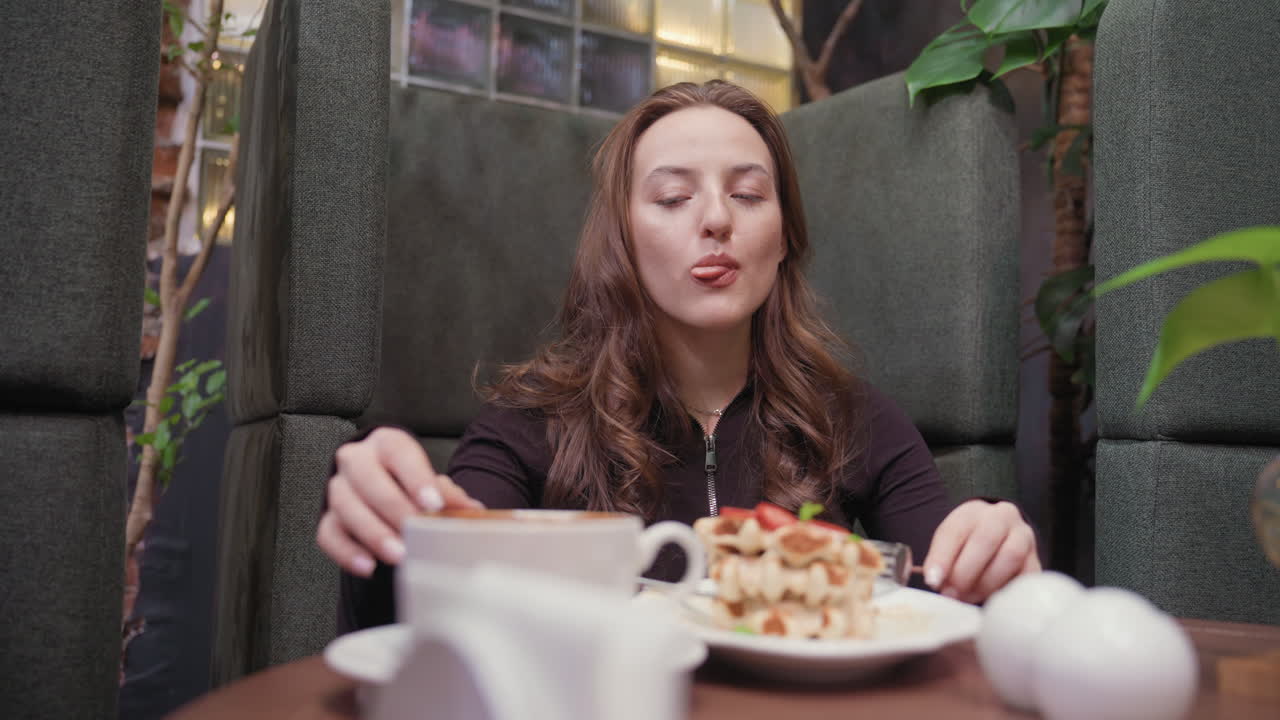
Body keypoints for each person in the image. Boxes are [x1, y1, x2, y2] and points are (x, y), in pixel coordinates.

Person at [317, 80, 1039, 633]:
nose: (717, 219)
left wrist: (991, 560)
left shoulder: (852, 416)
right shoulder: (529, 422)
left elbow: (943, 586)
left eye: (749, 194)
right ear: (622, 241)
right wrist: (394, 524)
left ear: (784, 236)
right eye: (672, 198)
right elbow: (443, 587)